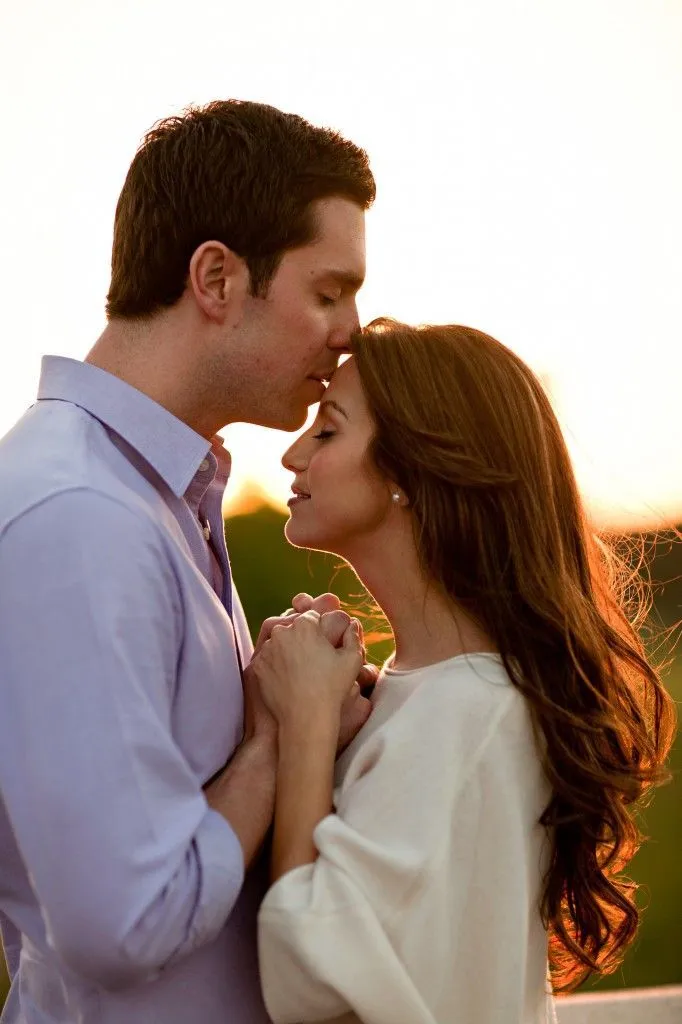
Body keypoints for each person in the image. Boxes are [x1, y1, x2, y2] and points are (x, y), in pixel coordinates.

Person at [0, 100, 376, 1023]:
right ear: (216, 277)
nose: (350, 330)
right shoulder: (82, 516)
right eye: (328, 292)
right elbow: (124, 923)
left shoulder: (155, 500)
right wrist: (278, 739)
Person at [249, 319, 676, 1024]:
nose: (293, 454)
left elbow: (313, 982)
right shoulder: (432, 695)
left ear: (410, 474)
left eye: (327, 432)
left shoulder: (468, 709)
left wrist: (304, 722)